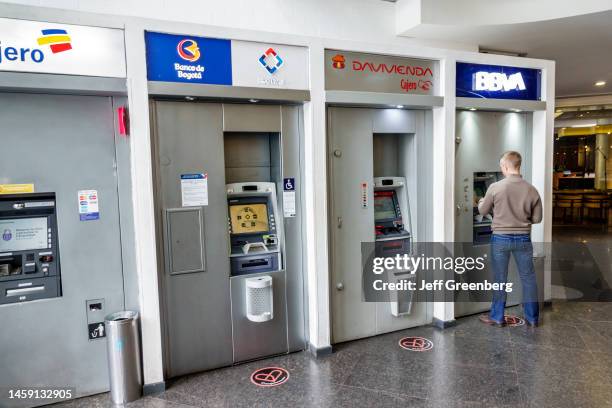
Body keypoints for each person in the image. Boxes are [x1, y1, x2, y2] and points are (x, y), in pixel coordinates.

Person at [478, 151, 543, 327]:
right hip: (523, 239)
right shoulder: (532, 189)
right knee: (528, 279)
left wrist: (480, 201)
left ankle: (497, 317)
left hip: (500, 239)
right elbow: (537, 219)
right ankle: (532, 318)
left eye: (502, 166)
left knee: (500, 278)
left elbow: (483, 211)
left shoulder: (495, 187)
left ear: (506, 166)